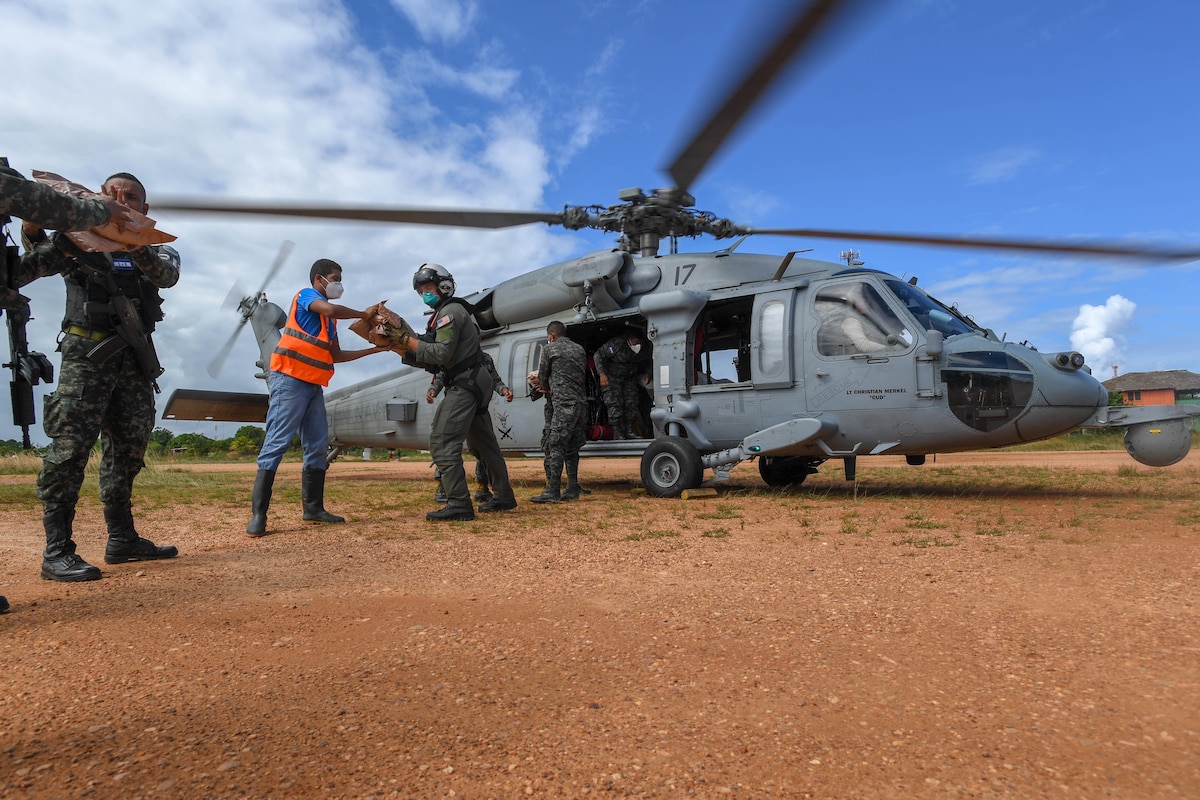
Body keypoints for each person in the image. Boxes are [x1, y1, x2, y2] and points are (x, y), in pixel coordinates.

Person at [12, 172, 180, 582]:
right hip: (86, 357)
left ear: (145, 208)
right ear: (98, 199)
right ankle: (57, 552)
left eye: (133, 198)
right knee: (69, 452)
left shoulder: (155, 248)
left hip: (135, 361)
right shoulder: (76, 239)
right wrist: (40, 218)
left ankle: (122, 540)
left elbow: (165, 275)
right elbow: (31, 259)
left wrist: (130, 236)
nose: (124, 201)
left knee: (128, 452)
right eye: (114, 196)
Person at [246, 259, 387, 536]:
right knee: (277, 443)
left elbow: (336, 355)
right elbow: (332, 307)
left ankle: (313, 508)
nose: (338, 284)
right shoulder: (306, 295)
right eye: (335, 278)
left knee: (318, 445)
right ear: (320, 279)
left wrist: (376, 352)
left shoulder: (329, 323)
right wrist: (364, 314)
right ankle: (258, 515)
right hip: (288, 380)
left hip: (312, 386)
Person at [388, 262, 516, 521]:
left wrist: (405, 341)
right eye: (421, 289)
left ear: (444, 286)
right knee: (485, 445)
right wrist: (400, 346)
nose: (425, 293)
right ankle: (503, 496)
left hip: (465, 382)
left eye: (428, 287)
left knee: (443, 441)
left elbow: (442, 353)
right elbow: (435, 353)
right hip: (474, 380)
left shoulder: (450, 312)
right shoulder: (448, 313)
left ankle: (458, 503)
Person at [426, 348, 513, 503]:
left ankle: (482, 487)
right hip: (456, 408)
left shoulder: (484, 358)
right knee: (448, 446)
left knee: (482, 449)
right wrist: (433, 391)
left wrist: (504, 390)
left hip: (477, 408)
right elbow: (440, 377)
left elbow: (494, 379)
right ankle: (442, 487)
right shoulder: (452, 356)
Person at [530, 321, 588, 503]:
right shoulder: (579, 349)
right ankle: (572, 487)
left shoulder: (549, 349)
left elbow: (544, 376)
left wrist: (543, 386)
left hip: (564, 404)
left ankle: (553, 490)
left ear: (551, 336)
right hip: (581, 404)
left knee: (555, 444)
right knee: (572, 447)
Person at [594, 327, 652, 439]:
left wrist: (648, 373)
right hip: (613, 378)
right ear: (629, 340)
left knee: (631, 403)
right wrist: (602, 374)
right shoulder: (617, 344)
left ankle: (629, 431)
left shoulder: (645, 347)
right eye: (635, 342)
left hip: (630, 378)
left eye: (639, 342)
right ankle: (617, 432)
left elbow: (648, 360)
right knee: (614, 404)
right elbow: (599, 355)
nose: (637, 344)